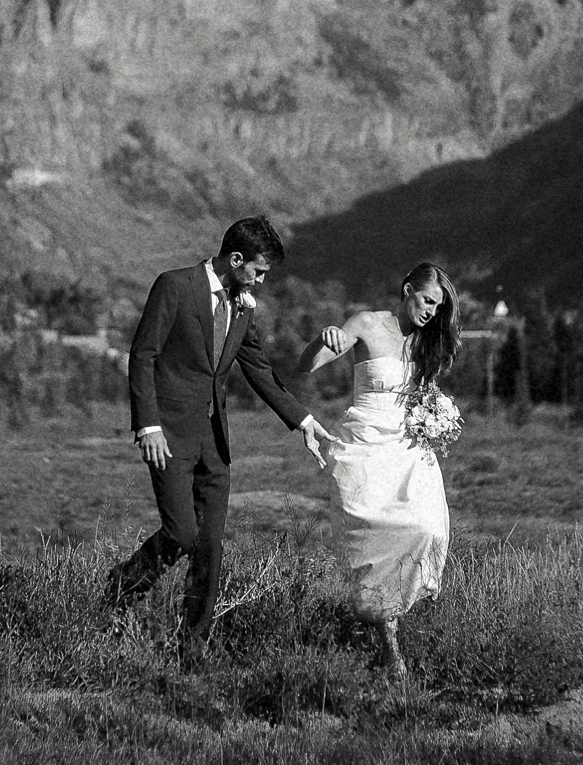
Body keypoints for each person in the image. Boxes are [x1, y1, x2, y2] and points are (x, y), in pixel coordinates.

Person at [108, 216, 336, 668]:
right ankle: (117, 594)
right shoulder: (174, 286)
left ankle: (192, 649)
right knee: (181, 534)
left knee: (210, 545)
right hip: (168, 436)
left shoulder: (243, 305)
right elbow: (144, 355)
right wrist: (147, 424)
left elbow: (258, 369)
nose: (262, 281)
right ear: (235, 259)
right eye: (258, 271)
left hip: (216, 443)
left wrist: (303, 420)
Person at [299, 261, 458, 675]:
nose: (430, 312)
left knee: (428, 528)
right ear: (407, 290)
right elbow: (306, 365)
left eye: (438, 307)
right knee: (376, 535)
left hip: (408, 448)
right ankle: (390, 645)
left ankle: (393, 617)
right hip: (368, 444)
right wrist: (324, 338)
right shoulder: (368, 324)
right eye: (426, 300)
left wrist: (434, 417)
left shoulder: (424, 342)